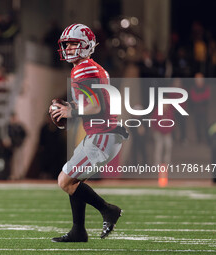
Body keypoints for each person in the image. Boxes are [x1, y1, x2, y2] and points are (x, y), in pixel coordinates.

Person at [49, 24, 128, 242]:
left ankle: (108, 210)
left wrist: (69, 110)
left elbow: (95, 106)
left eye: (73, 44)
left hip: (103, 134)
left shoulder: (83, 69)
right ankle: (78, 231)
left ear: (86, 45)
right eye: (66, 44)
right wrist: (71, 106)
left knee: (64, 181)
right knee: (74, 180)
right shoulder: (92, 67)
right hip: (103, 134)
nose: (68, 48)